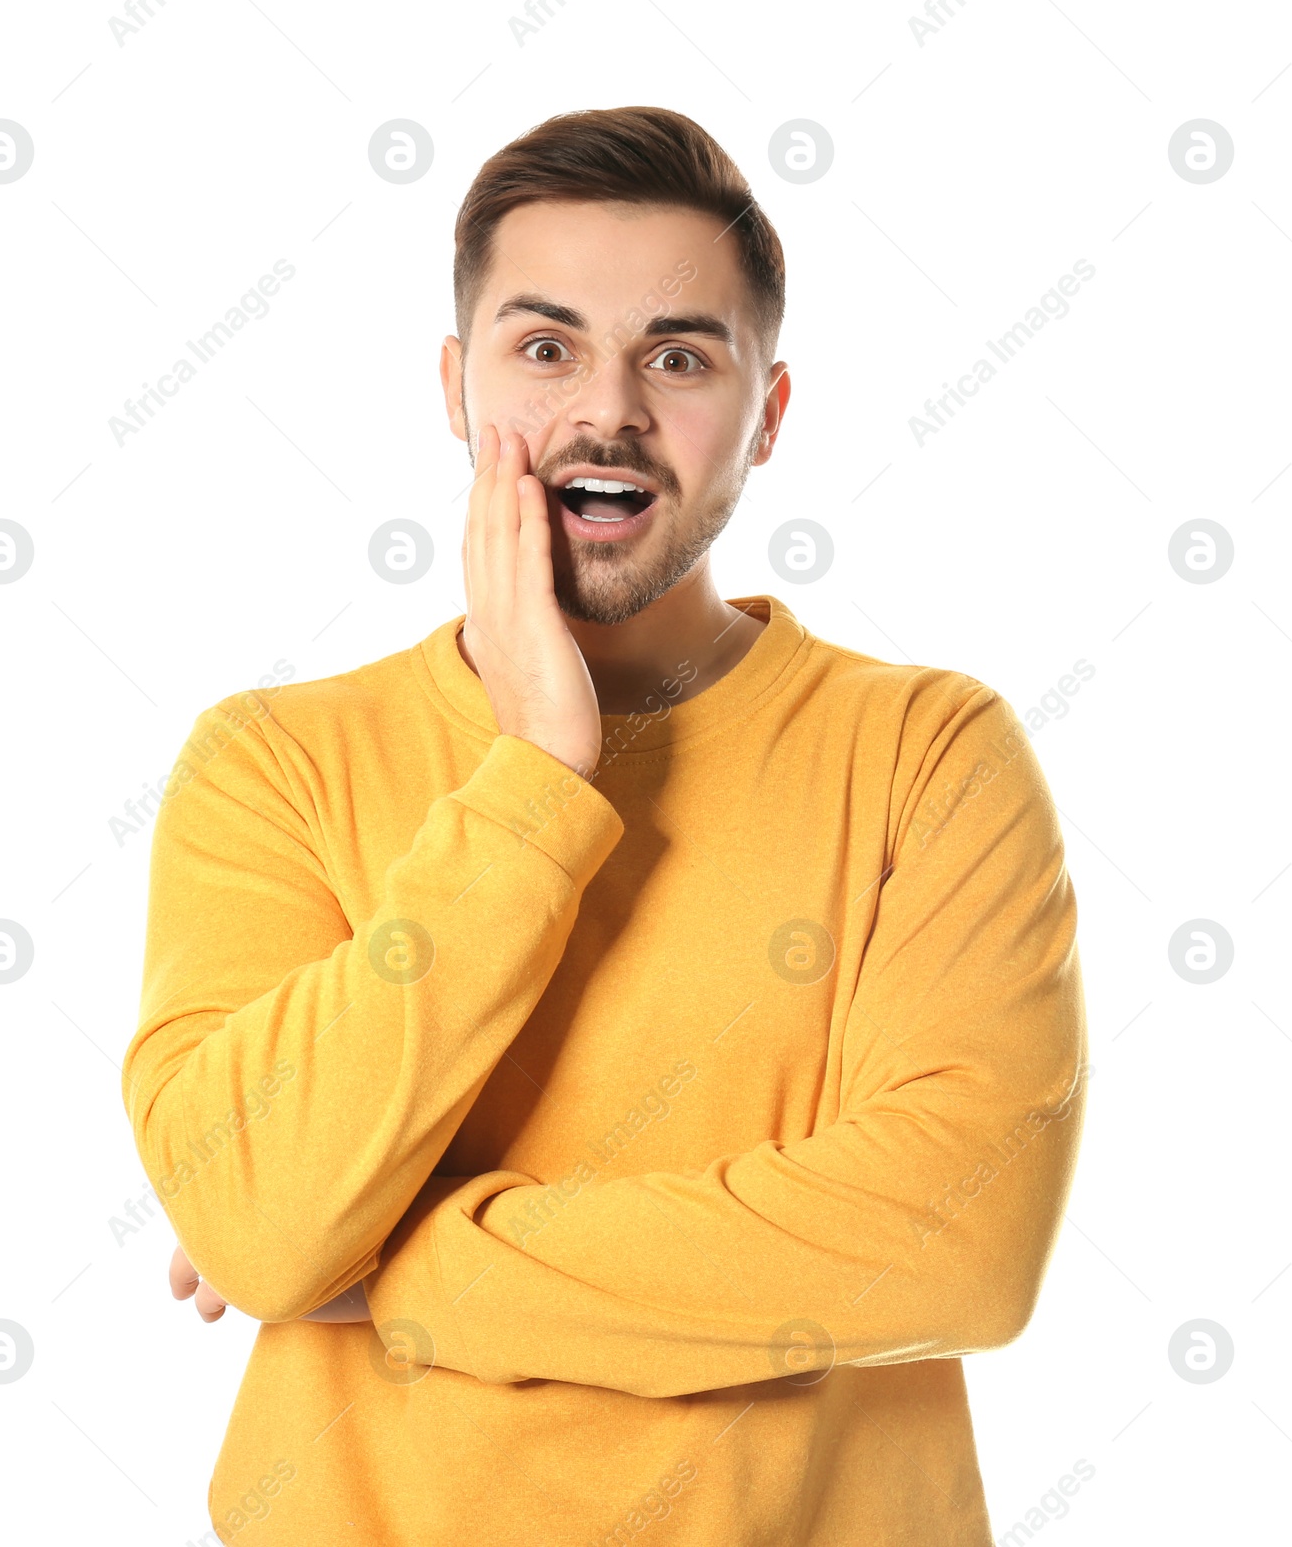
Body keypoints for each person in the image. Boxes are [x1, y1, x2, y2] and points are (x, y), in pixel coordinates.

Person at [122, 105, 1088, 1547]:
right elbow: (258, 1219)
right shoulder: (275, 762)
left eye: (680, 356)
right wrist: (538, 771)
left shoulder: (928, 753)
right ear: (458, 387)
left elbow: (958, 1240)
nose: (609, 411)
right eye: (545, 347)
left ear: (766, 412)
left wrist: (400, 1263)